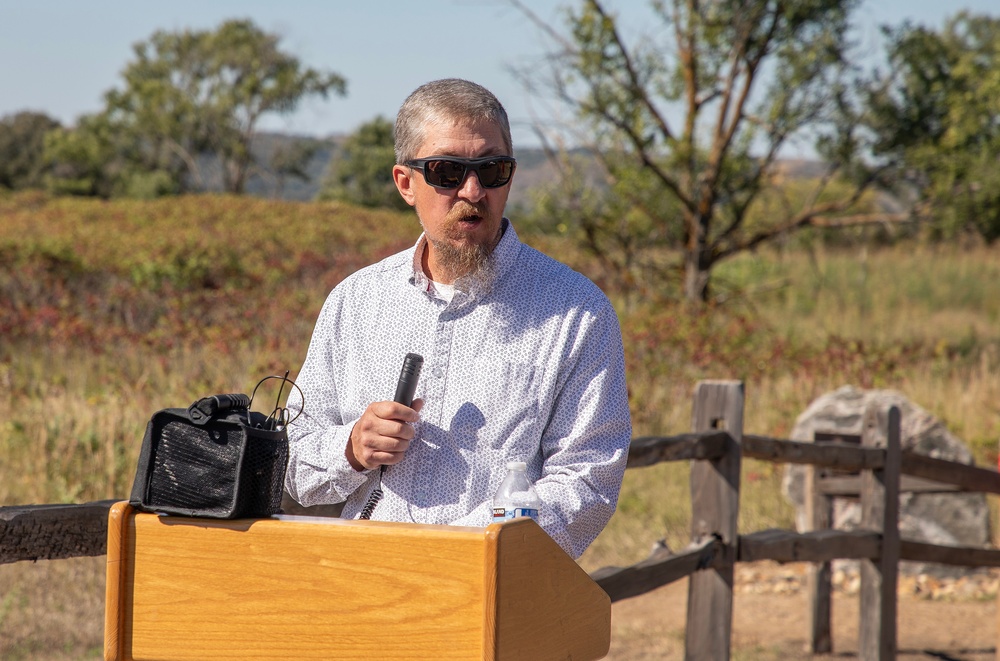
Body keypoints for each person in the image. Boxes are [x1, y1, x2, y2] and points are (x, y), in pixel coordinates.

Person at [283, 78, 630, 559]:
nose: (473, 190)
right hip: (363, 588)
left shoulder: (578, 311)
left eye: (493, 170)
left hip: (493, 597)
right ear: (405, 183)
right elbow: (295, 465)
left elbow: (588, 481)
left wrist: (463, 549)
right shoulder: (354, 302)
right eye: (447, 171)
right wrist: (351, 447)